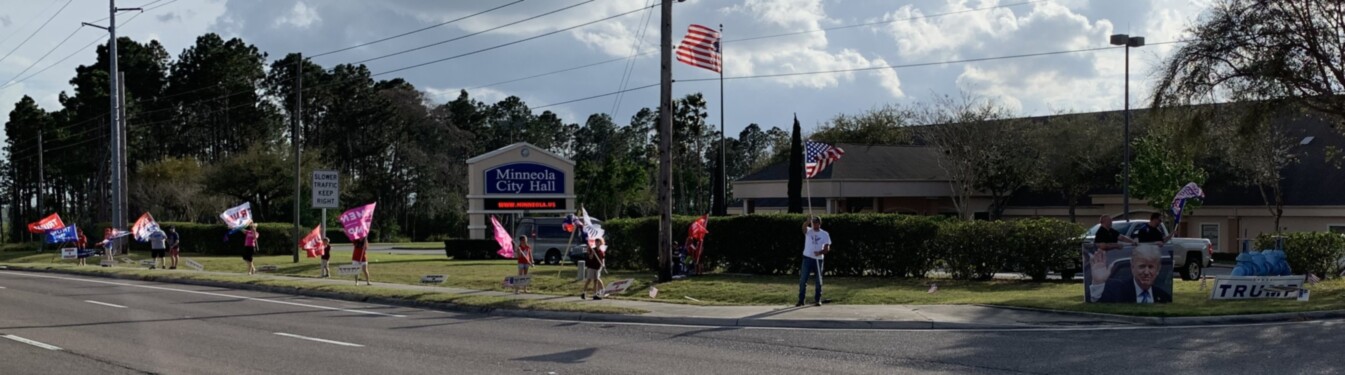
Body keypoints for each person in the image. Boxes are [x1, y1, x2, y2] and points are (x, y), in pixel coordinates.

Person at [1089, 244, 1172, 303]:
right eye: (1142, 266)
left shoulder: (1164, 297)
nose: (1146, 272)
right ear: (1132, 267)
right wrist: (1098, 283)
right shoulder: (1115, 290)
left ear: (1158, 269)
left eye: (1151, 267)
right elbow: (1095, 310)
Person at [798, 216, 831, 307]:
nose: (815, 224)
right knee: (803, 280)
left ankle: (818, 299)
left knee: (818, 280)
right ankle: (801, 300)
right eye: (813, 223)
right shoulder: (809, 231)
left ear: (820, 224)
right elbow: (803, 228)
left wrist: (820, 252)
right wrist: (807, 221)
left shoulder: (825, 234)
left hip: (818, 259)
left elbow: (827, 248)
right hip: (807, 258)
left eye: (816, 223)